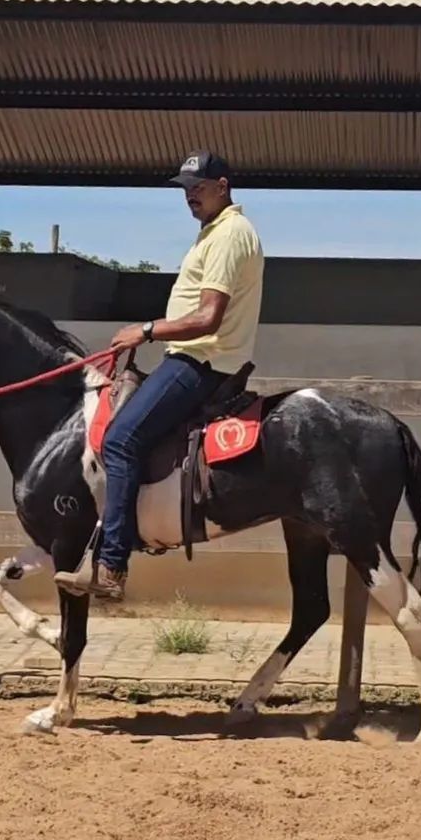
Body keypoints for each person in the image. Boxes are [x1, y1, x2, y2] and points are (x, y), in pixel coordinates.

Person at [54, 150, 265, 601]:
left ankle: (111, 566)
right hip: (196, 357)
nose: (190, 197)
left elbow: (208, 317)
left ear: (223, 187)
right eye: (185, 190)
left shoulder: (229, 235)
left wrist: (145, 331)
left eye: (198, 188)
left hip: (201, 361)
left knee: (120, 439)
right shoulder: (214, 232)